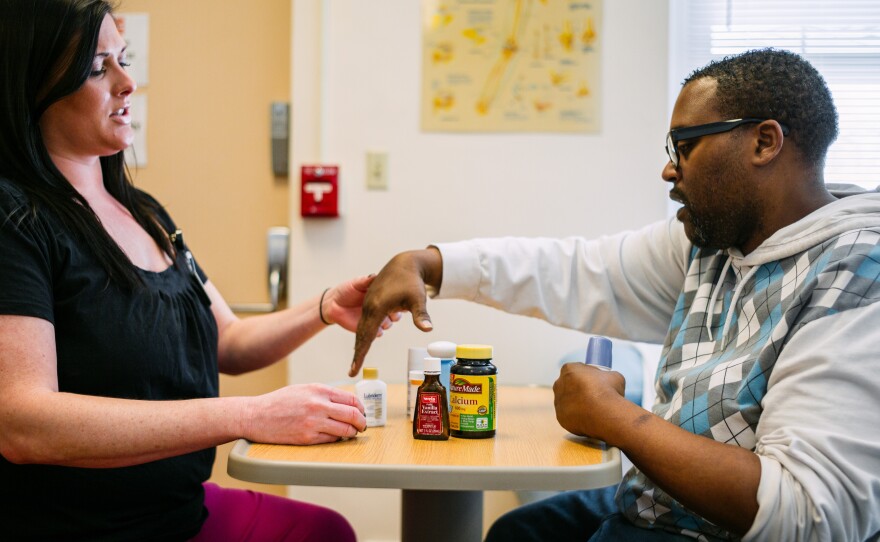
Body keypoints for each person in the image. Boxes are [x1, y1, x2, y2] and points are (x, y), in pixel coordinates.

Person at [351, 48, 880, 541]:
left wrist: (618, 419)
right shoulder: (719, 241)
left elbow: (811, 511)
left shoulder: (857, 277)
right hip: (666, 503)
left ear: (764, 142)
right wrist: (431, 264)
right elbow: (580, 271)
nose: (670, 169)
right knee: (517, 533)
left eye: (686, 146)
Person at [0, 1, 397, 540]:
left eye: (125, 58)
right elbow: (23, 423)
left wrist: (324, 306)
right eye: (99, 69)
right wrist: (249, 414)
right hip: (85, 527)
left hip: (179, 511)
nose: (127, 82)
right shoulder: (15, 221)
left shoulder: (144, 212)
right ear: (30, 85)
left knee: (326, 531)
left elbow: (228, 340)